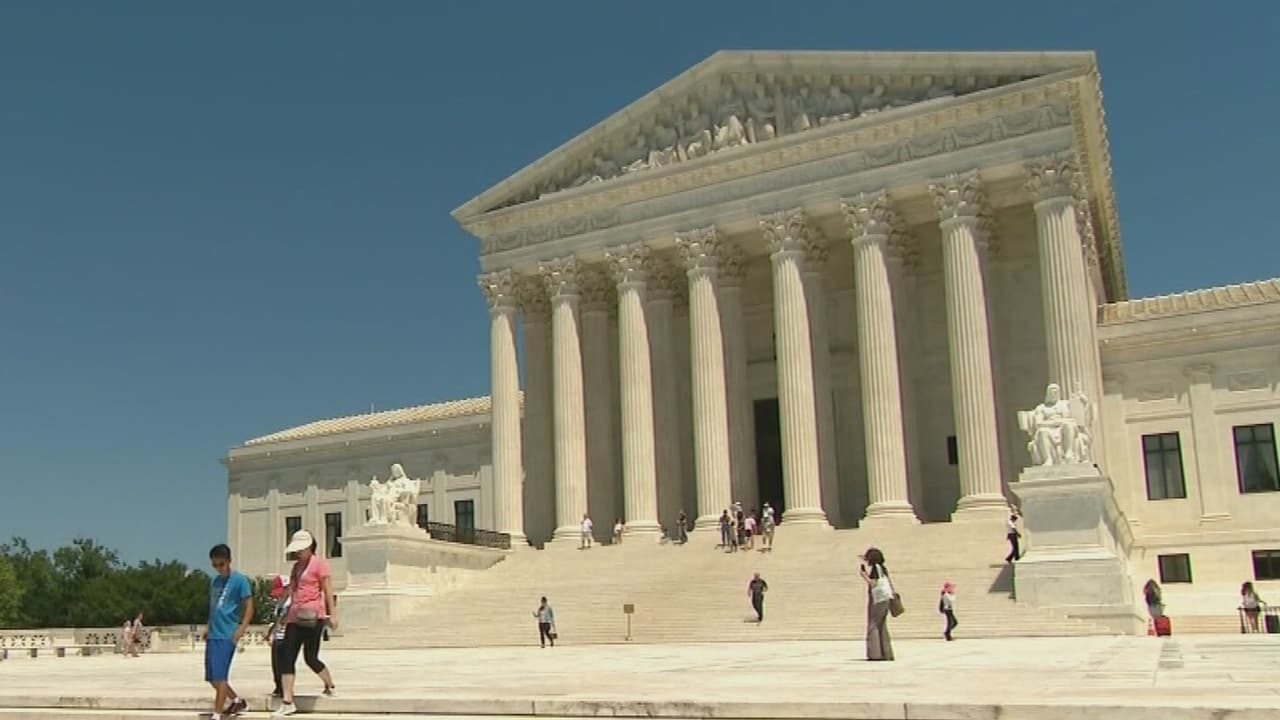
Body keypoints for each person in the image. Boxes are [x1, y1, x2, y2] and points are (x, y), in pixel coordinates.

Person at [275, 530, 338, 718]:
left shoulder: (320, 565)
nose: (298, 554)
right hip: (295, 616)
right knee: (287, 656)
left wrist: (332, 615)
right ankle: (287, 701)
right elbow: (293, 591)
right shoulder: (295, 568)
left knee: (311, 658)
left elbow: (328, 591)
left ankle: (329, 684)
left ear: (309, 547)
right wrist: (284, 615)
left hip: (314, 616)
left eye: (300, 550)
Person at [206, 543, 252, 720]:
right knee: (212, 677)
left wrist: (242, 628)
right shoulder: (215, 581)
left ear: (229, 561)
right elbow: (213, 607)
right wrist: (208, 626)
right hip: (213, 634)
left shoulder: (240, 580)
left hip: (227, 633)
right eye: (215, 565)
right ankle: (237, 701)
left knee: (221, 676)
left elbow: (249, 606)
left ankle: (216, 714)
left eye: (221, 564)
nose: (218, 569)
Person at [860, 547, 895, 661]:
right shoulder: (883, 568)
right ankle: (886, 652)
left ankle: (875, 654)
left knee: (873, 625)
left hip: (878, 599)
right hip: (886, 598)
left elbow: (873, 584)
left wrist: (864, 575)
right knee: (882, 625)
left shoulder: (875, 569)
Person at [268, 575, 292, 697]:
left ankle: (285, 689)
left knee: (284, 665)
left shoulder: (291, 603)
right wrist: (270, 633)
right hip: (277, 636)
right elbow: (276, 620)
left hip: (287, 637)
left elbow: (285, 620)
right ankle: (278, 687)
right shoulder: (280, 602)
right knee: (276, 664)